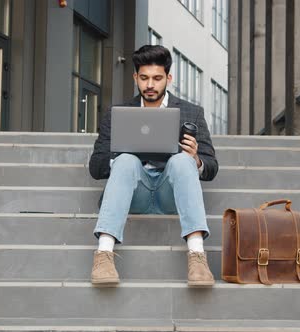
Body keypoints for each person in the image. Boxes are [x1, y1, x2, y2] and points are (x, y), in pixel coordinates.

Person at [88, 45, 218, 287]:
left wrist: (196, 159)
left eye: (157, 78)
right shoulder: (118, 113)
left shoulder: (192, 113)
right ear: (135, 77)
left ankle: (197, 256)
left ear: (168, 78)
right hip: (134, 193)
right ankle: (103, 254)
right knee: (126, 160)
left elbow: (211, 167)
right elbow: (95, 167)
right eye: (144, 78)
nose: (150, 85)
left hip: (171, 195)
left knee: (182, 160)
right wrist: (123, 152)